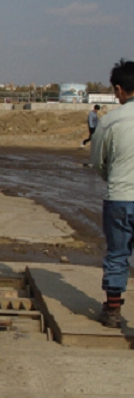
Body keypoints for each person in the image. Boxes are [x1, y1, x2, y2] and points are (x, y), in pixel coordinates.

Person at [90, 59, 134, 329]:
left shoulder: (109, 122)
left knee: (117, 254)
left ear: (119, 89)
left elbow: (98, 161)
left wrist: (112, 178)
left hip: (120, 196)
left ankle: (113, 311)